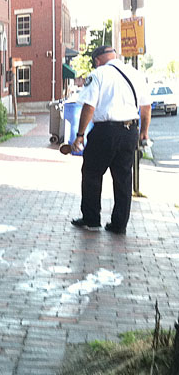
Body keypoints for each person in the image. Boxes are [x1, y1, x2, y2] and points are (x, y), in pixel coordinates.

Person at [70, 45, 151, 235]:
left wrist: (80, 135)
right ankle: (119, 224)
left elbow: (89, 107)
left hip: (106, 131)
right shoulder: (135, 74)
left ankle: (91, 219)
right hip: (130, 130)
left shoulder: (98, 74)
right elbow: (146, 107)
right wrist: (144, 132)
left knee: (92, 173)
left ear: (97, 60)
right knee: (123, 178)